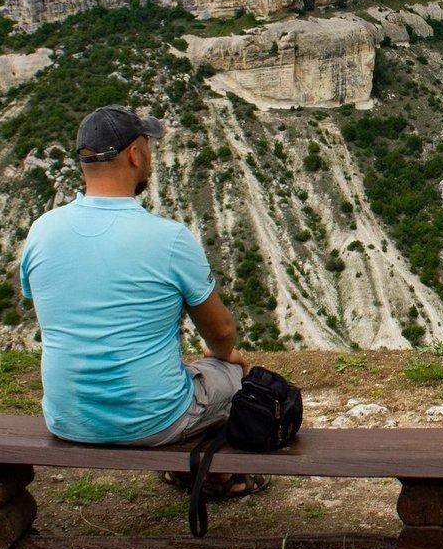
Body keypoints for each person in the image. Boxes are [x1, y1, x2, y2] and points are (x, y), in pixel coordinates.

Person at [18, 104, 264, 498]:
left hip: (67, 418)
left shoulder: (41, 231)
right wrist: (226, 356)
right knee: (234, 377)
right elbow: (221, 330)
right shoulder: (169, 239)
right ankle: (211, 472)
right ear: (135, 154)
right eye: (148, 145)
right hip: (153, 420)